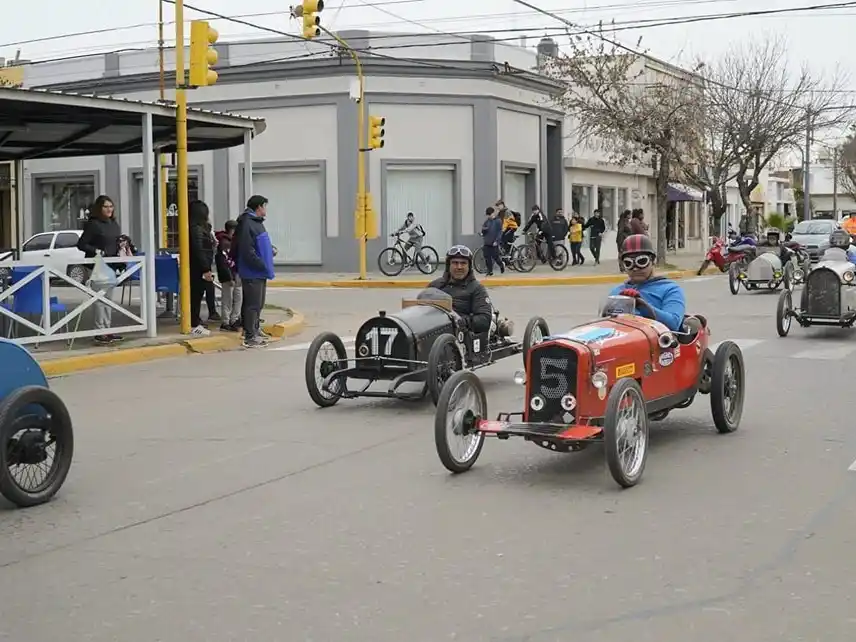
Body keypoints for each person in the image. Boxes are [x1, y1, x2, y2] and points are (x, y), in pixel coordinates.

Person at [608, 234, 686, 332]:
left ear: (653, 261)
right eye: (628, 263)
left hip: (656, 339)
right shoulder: (617, 292)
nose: (635, 268)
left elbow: (673, 324)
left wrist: (642, 305)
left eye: (641, 261)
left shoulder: (670, 289)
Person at [77, 194, 123, 345]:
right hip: (96, 266)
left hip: (111, 265)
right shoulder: (93, 224)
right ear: (99, 208)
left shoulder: (113, 223)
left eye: (111, 206)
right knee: (99, 300)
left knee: (108, 300)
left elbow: (115, 242)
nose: (109, 209)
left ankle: (107, 329)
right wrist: (97, 251)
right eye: (105, 206)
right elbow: (81, 244)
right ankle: (99, 331)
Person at [232, 195, 275, 348]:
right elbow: (247, 250)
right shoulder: (247, 223)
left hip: (260, 271)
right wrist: (261, 264)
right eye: (264, 206)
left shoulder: (257, 223)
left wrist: (270, 251)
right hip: (252, 271)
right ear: (259, 207)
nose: (265, 209)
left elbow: (258, 244)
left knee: (258, 303)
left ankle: (255, 330)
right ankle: (250, 336)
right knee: (252, 304)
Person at [427, 245, 492, 333]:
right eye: (455, 263)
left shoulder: (477, 288)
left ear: (469, 267)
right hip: (433, 332)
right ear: (448, 265)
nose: (459, 267)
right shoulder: (435, 285)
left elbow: (484, 320)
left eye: (463, 263)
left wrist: (462, 322)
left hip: (459, 336)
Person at [188, 200, 215, 337]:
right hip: (198, 267)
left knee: (198, 294)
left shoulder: (200, 228)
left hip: (200, 265)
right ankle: (194, 322)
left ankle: (195, 319)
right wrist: (205, 269)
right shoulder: (196, 229)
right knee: (196, 294)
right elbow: (199, 249)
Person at [214, 233, 241, 332]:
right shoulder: (220, 256)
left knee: (238, 299)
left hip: (237, 278)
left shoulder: (231, 254)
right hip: (227, 280)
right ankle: (225, 321)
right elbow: (223, 268)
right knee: (227, 300)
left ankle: (234, 319)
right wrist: (230, 279)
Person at [480, 206, 503, 275]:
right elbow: (483, 230)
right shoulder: (487, 221)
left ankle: (501, 265)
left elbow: (499, 232)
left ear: (493, 213)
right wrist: (483, 232)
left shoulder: (498, 221)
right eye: (488, 215)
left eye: (490, 214)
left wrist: (497, 241)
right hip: (487, 242)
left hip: (494, 242)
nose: (489, 216)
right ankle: (490, 271)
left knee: (495, 257)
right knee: (487, 257)